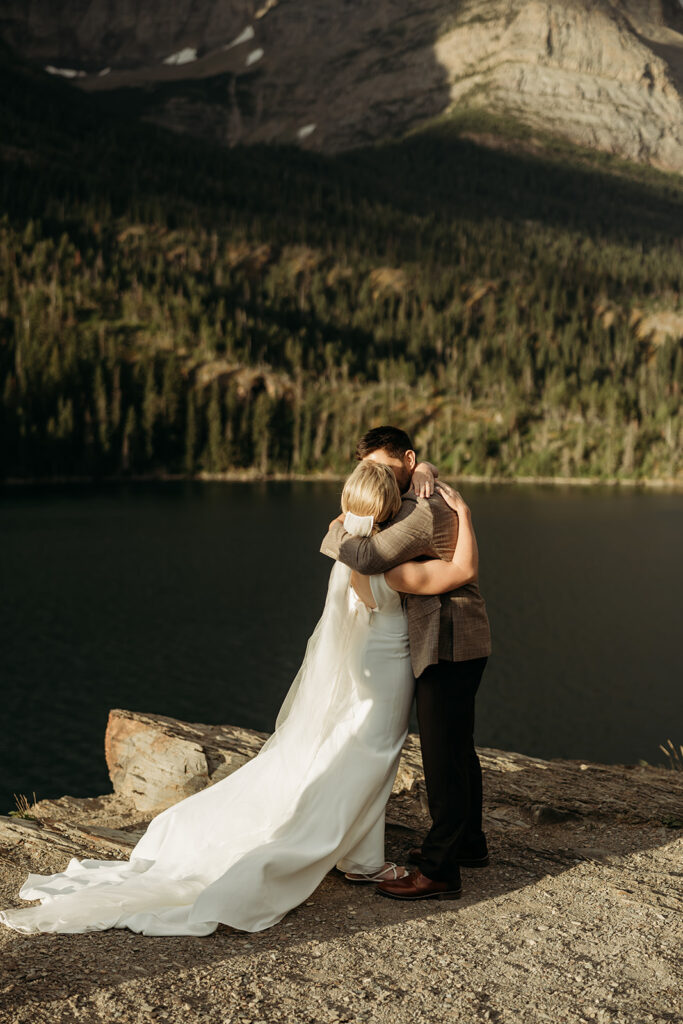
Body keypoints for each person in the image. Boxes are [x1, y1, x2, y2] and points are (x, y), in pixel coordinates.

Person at [0, 463, 479, 936]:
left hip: (365, 670)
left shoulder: (350, 555)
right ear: (391, 508)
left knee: (357, 754)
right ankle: (360, 858)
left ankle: (357, 849)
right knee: (376, 757)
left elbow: (345, 534)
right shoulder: (391, 569)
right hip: (390, 672)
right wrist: (464, 515)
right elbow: (462, 570)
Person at [320, 426, 491, 901]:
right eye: (368, 469)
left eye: (384, 468)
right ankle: (469, 844)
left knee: (441, 758)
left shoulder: (421, 512)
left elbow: (369, 555)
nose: (378, 476)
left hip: (449, 641)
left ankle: (440, 870)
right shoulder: (412, 495)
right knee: (458, 747)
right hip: (455, 639)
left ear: (409, 461)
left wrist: (336, 531)